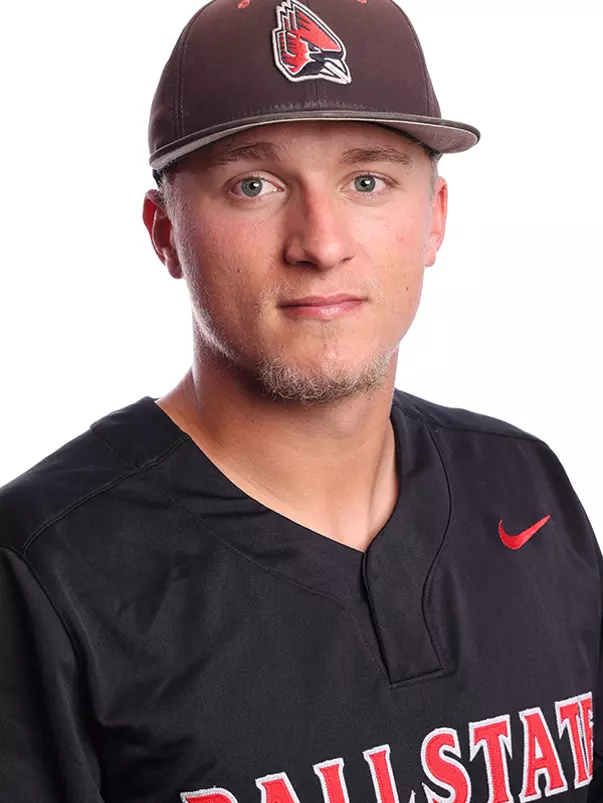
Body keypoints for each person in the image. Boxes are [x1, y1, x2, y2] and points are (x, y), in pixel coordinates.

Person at [0, 0, 601, 800]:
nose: (319, 242)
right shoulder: (45, 567)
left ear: (434, 220)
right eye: (253, 184)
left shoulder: (522, 481)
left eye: (367, 180)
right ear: (163, 232)